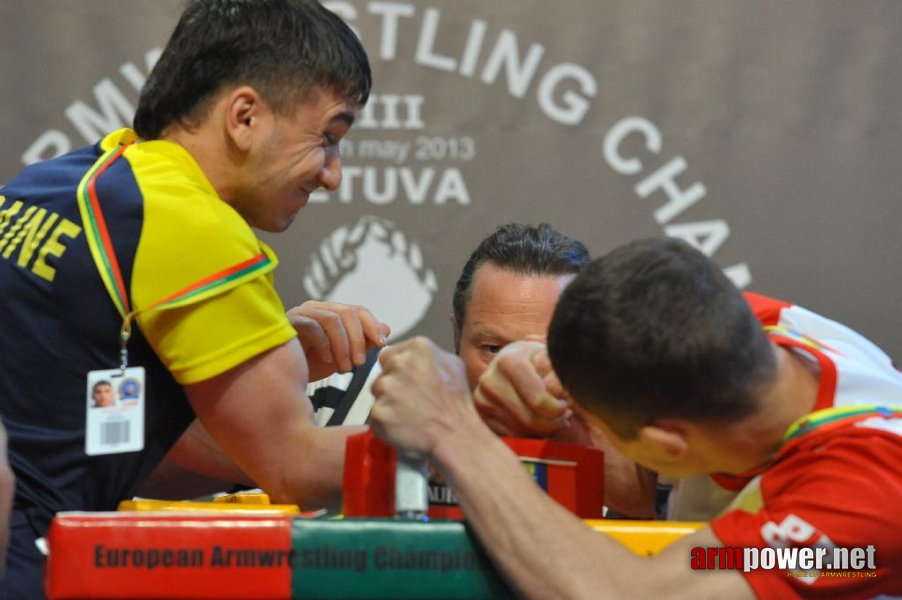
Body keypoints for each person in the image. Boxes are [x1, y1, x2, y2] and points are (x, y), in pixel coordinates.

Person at [0, 1, 388, 596]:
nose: (333, 173)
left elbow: (96, 449)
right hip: (30, 564)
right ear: (244, 116)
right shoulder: (188, 223)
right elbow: (298, 468)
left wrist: (243, 378)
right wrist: (461, 440)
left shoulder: (49, 185)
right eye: (328, 137)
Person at [370, 237, 902, 598]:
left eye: (599, 425)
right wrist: (529, 364)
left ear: (669, 447)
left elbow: (630, 594)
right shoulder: (746, 329)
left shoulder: (865, 500)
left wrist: (453, 430)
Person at [306, 222, 657, 517]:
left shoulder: (637, 450)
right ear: (457, 333)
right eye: (494, 349)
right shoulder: (345, 386)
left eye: (546, 353)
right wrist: (283, 364)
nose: (516, 370)